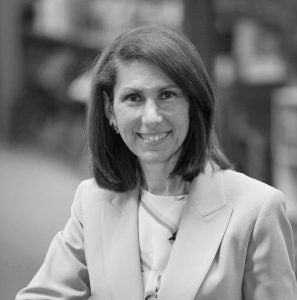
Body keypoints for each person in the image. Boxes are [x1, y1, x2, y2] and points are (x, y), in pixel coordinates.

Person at [16, 24, 297, 300]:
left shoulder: (258, 209)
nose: (151, 117)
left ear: (193, 103)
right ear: (110, 111)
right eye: (133, 98)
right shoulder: (92, 201)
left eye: (166, 95)